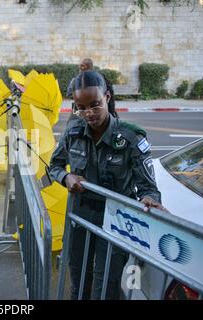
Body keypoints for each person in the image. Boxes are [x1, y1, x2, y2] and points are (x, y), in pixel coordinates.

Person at [49, 70, 166, 300]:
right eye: (80, 108)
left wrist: (149, 199)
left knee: (105, 288)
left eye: (95, 104)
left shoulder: (131, 138)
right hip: (80, 216)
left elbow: (148, 187)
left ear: (108, 98)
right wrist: (67, 177)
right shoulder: (73, 132)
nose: (88, 113)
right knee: (78, 283)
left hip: (116, 221)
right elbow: (54, 165)